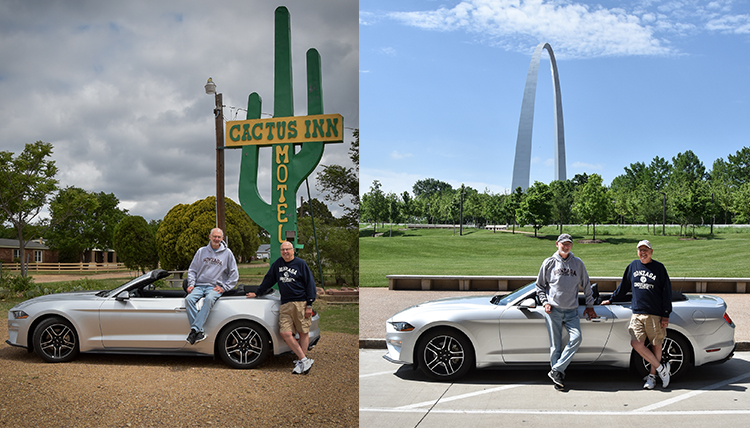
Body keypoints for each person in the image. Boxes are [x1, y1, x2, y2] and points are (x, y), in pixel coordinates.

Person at [602, 239, 672, 389]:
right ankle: (662, 369)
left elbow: (667, 292)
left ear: (651, 252)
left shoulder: (659, 268)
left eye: (646, 250)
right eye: (640, 250)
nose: (643, 252)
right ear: (637, 252)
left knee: (656, 346)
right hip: (637, 313)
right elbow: (624, 287)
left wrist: (666, 314)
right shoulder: (633, 266)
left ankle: (652, 377)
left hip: (655, 313)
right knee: (636, 343)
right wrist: (611, 299)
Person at [536, 233, 597, 391]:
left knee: (577, 338)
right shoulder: (549, 263)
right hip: (553, 310)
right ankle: (558, 379)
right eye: (563, 243)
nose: (566, 246)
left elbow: (587, 285)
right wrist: (545, 302)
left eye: (569, 244)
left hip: (572, 311)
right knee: (555, 346)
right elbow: (540, 286)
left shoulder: (577, 263)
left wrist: (590, 305)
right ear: (557, 244)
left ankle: (556, 369)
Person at [246, 241, 317, 375]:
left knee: (303, 332)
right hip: (285, 303)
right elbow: (269, 280)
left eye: (288, 249)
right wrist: (257, 292)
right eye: (283, 250)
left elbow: (310, 284)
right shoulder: (278, 264)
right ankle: (304, 360)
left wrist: (309, 304)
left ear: (293, 250)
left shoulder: (300, 264)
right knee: (285, 333)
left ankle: (301, 361)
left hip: (300, 302)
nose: (285, 252)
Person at [185, 228, 239, 345]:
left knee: (209, 299)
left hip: (215, 287)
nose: (216, 239)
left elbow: (234, 274)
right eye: (214, 236)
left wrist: (224, 287)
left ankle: (194, 330)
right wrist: (191, 284)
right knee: (188, 300)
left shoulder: (227, 253)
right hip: (199, 285)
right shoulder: (201, 251)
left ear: (222, 238)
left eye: (219, 237)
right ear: (209, 236)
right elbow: (192, 270)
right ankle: (199, 331)